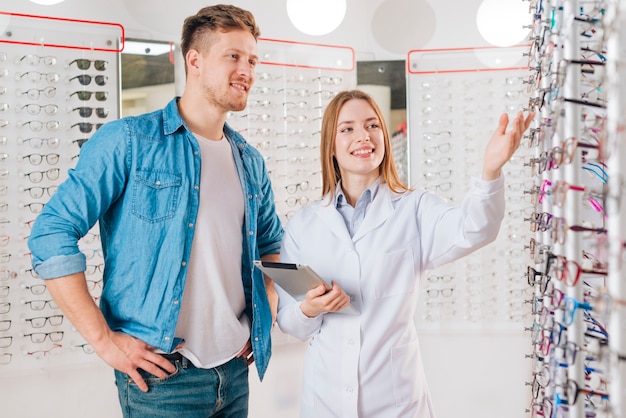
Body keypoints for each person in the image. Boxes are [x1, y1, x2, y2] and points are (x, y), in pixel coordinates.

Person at [27, 4, 283, 417]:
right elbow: (51, 232)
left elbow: (271, 245)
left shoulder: (249, 161)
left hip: (234, 373)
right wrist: (104, 340)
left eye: (252, 59)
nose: (246, 70)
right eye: (233, 56)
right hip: (162, 381)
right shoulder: (128, 141)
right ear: (194, 60)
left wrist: (264, 315)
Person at [275, 89, 534, 417]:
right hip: (325, 399)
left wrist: (490, 170)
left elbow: (474, 227)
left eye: (372, 125)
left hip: (395, 400)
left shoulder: (414, 208)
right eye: (347, 128)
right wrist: (310, 309)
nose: (363, 136)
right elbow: (290, 322)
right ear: (330, 146)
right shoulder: (304, 225)